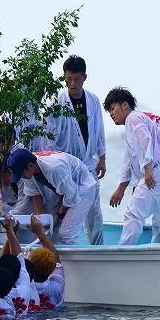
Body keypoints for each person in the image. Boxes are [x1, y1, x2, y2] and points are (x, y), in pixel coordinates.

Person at [105, 87, 160, 245]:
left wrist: (148, 170)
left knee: (133, 215)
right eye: (109, 111)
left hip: (158, 174)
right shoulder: (137, 121)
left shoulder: (133, 119)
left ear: (125, 105)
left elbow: (145, 140)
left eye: (113, 108)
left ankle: (122, 254)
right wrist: (122, 188)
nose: (111, 114)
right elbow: (129, 160)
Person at [44, 55, 106, 242]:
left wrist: (102, 157)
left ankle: (98, 250)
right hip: (64, 165)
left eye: (76, 79)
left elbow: (99, 128)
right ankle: (57, 247)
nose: (72, 83)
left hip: (88, 164)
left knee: (94, 212)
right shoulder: (56, 102)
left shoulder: (93, 100)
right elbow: (48, 136)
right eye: (68, 78)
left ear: (84, 77)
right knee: (61, 207)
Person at [7, 148, 102, 245]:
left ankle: (76, 258)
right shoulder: (28, 166)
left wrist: (58, 217)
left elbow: (71, 195)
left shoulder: (54, 168)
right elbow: (34, 193)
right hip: (65, 190)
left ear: (30, 165)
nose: (22, 177)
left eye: (21, 174)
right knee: (49, 230)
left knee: (66, 234)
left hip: (83, 188)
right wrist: (41, 219)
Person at [0, 215, 39, 315]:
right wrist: (10, 230)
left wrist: (10, 230)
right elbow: (19, 258)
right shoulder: (25, 288)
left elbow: (4, 265)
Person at [26, 215, 65, 310]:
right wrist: (40, 233)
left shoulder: (24, 288)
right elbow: (55, 257)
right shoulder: (57, 286)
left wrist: (11, 231)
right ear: (52, 268)